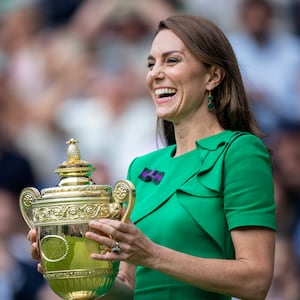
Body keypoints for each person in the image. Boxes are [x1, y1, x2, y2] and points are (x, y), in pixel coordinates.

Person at [28, 15, 276, 300]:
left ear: (213, 76)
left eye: (171, 61)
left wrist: (153, 255)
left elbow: (256, 280)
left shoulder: (239, 151)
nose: (155, 73)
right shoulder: (141, 168)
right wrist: (73, 261)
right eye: (151, 63)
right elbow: (128, 287)